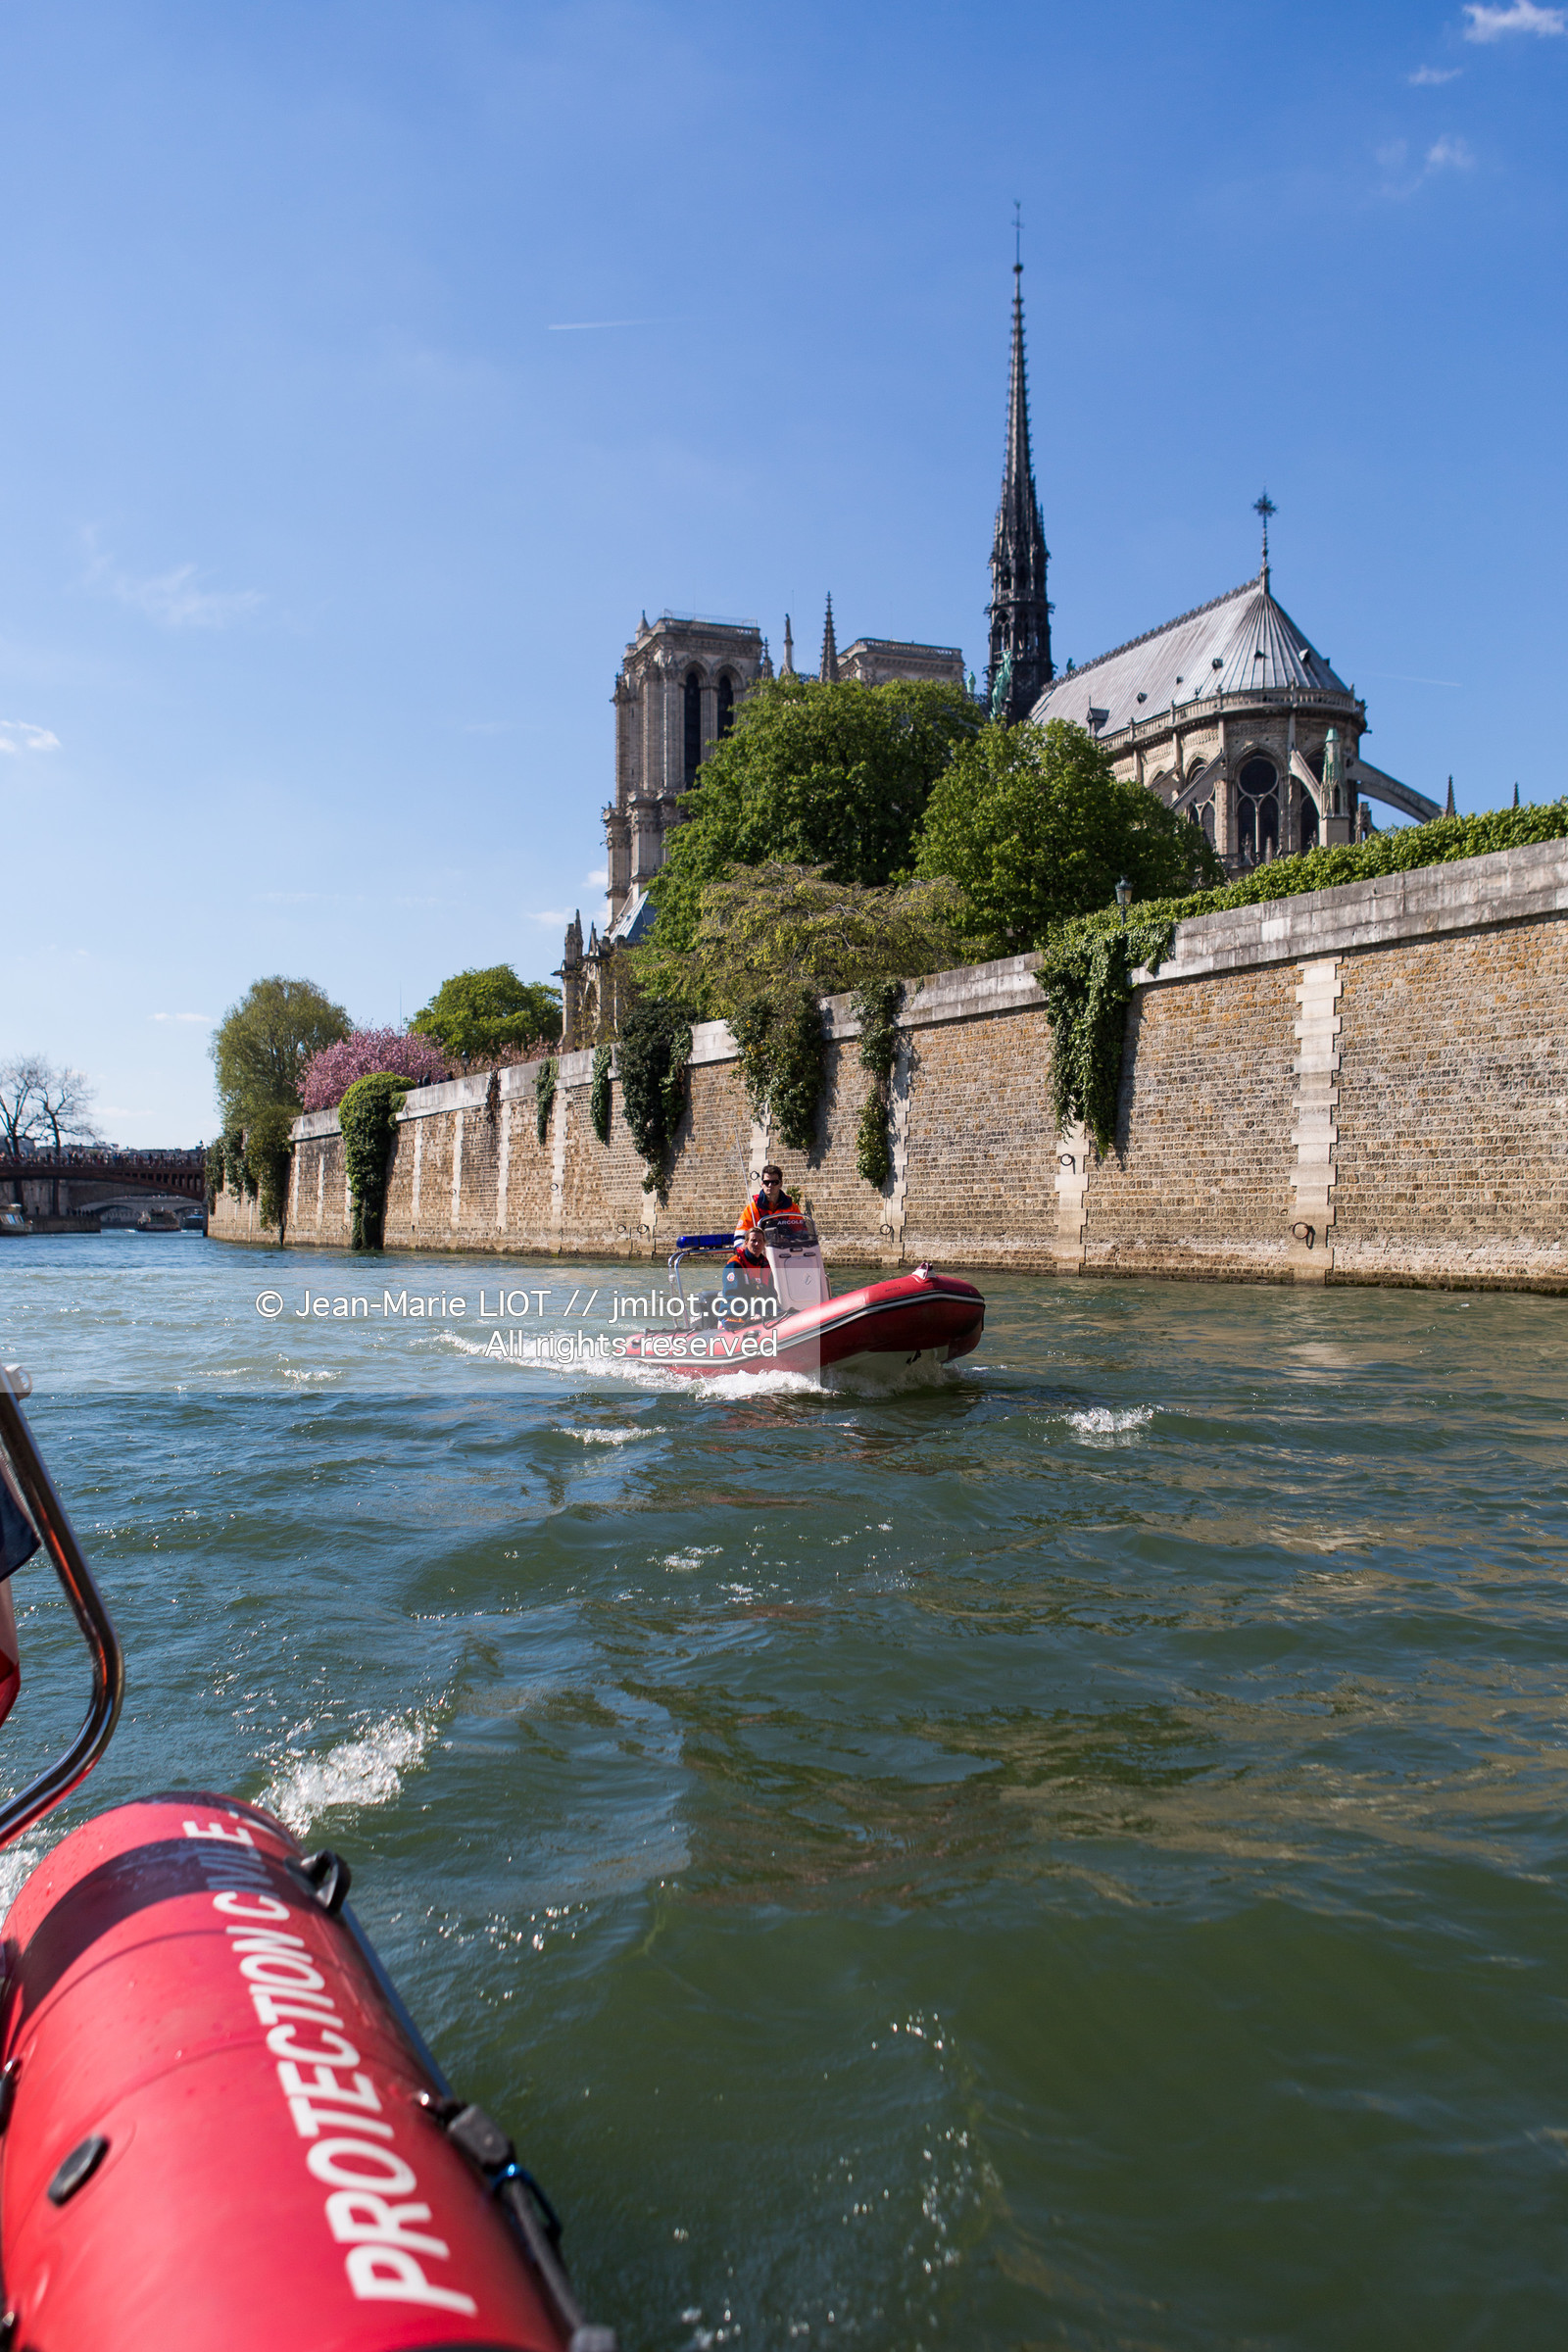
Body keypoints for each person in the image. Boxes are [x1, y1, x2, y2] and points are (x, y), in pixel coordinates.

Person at [738, 1164, 796, 1235]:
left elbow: (802, 1233)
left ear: (781, 1184)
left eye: (774, 1182)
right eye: (766, 1182)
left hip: (787, 1242)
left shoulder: (792, 1208)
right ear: (762, 1183)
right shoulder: (752, 1209)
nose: (770, 1185)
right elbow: (740, 1236)